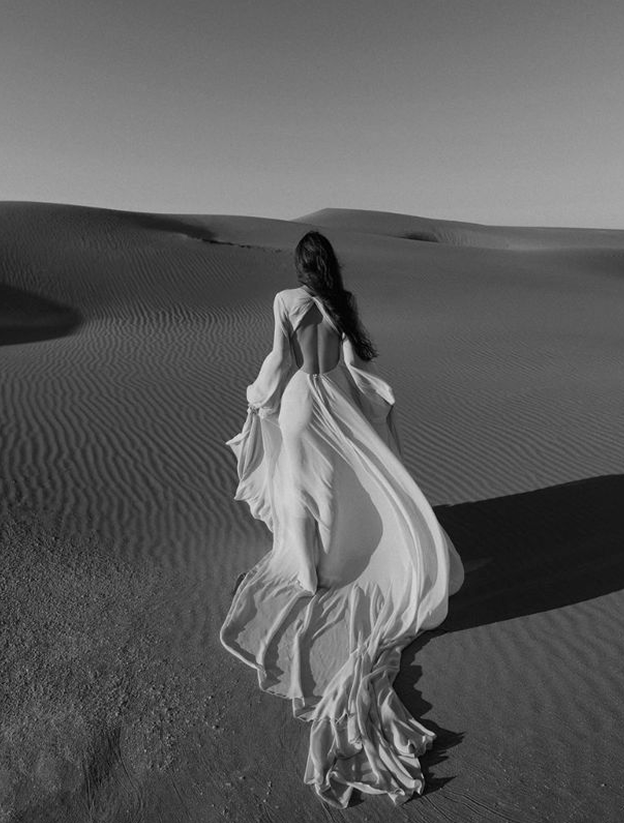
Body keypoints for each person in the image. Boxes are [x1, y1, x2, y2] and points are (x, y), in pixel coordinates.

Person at [220, 231, 464, 808]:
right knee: (337, 494)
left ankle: (307, 576)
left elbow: (282, 361)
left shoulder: (286, 300)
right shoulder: (344, 303)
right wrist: (371, 407)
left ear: (300, 266)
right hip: (338, 402)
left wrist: (258, 396)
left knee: (296, 492)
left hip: (303, 403)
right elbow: (354, 363)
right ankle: (333, 565)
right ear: (329, 264)